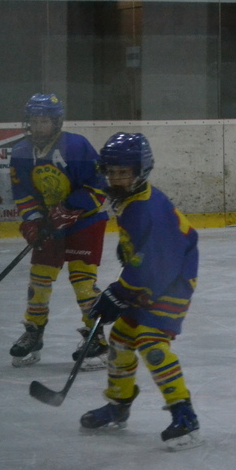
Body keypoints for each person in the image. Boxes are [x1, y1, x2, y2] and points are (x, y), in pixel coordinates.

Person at [79, 133, 202, 451]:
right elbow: (145, 254)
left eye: (124, 172)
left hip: (174, 282)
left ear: (141, 171)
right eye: (112, 172)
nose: (116, 179)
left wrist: (120, 292)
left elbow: (160, 264)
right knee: (121, 339)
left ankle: (185, 415)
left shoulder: (146, 208)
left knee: (151, 343)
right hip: (152, 277)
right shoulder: (131, 199)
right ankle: (118, 405)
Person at [8, 94, 109, 370]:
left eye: (44, 121)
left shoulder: (76, 146)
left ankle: (96, 338)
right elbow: (23, 194)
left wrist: (69, 208)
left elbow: (98, 186)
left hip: (85, 221)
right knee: (39, 280)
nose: (38, 126)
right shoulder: (21, 152)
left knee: (82, 281)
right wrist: (34, 221)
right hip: (50, 225)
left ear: (56, 122)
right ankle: (34, 331)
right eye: (34, 121)